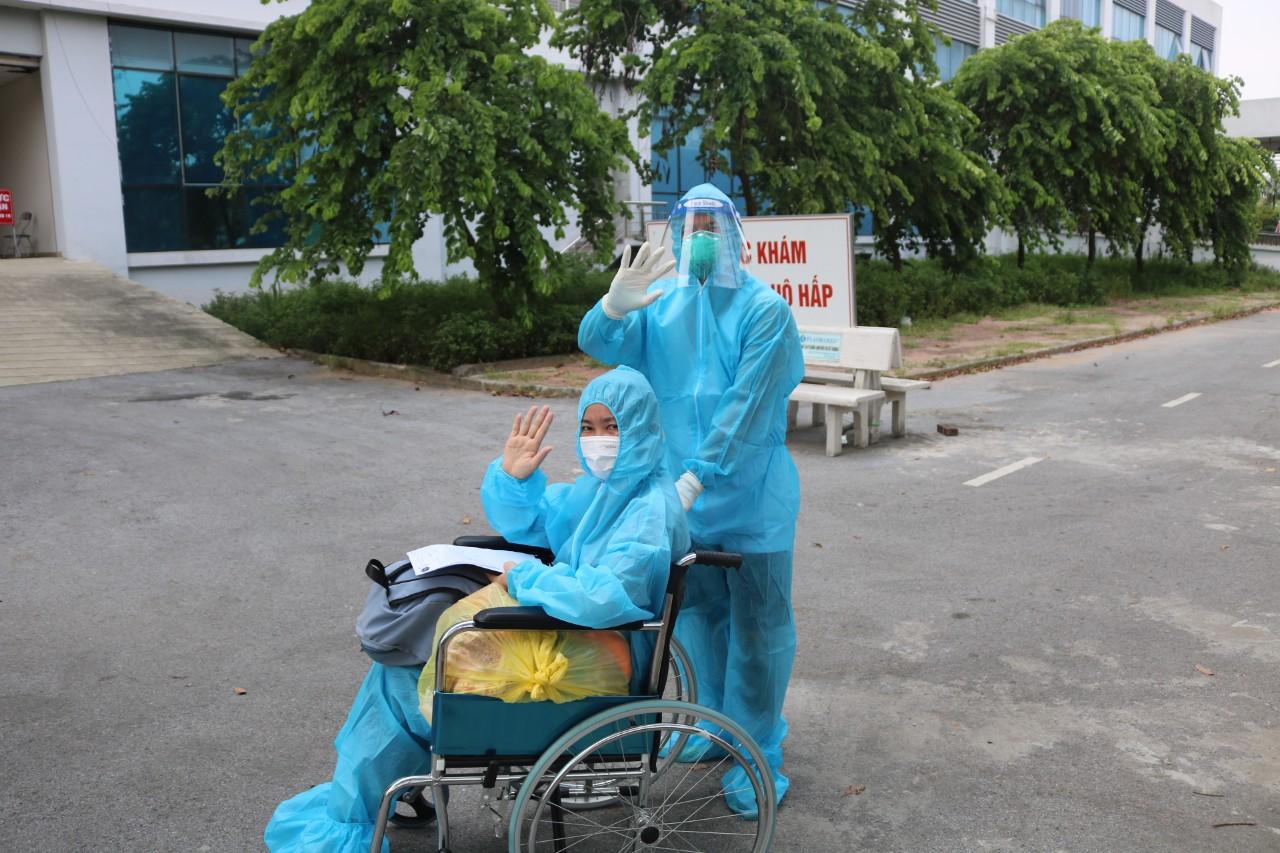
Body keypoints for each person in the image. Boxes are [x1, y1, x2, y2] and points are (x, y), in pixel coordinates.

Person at [264, 366, 688, 852]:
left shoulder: (647, 507)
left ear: (642, 428)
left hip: (595, 658)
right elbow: (540, 522)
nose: (598, 441)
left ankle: (355, 813)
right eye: (588, 428)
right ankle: (366, 798)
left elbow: (606, 595)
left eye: (611, 427)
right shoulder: (604, 491)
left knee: (404, 676)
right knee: (412, 664)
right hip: (575, 639)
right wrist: (514, 480)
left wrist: (526, 579)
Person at [578, 183, 805, 818]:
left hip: (753, 501)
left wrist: (698, 475)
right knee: (699, 616)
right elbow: (599, 346)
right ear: (674, 236)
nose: (700, 237)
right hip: (684, 504)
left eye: (712, 225)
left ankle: (755, 751)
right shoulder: (659, 307)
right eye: (689, 226)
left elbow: (749, 406)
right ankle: (711, 724)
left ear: (734, 235)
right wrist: (612, 307)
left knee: (759, 630)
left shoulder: (764, 310)